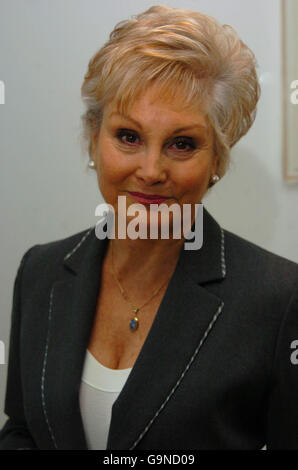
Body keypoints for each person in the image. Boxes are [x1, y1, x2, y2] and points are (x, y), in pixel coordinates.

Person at [0, 4, 297, 451]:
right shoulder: (41, 270)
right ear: (93, 140)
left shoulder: (279, 298)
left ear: (216, 159)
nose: (151, 170)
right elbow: (23, 430)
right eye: (129, 137)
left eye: (182, 144)